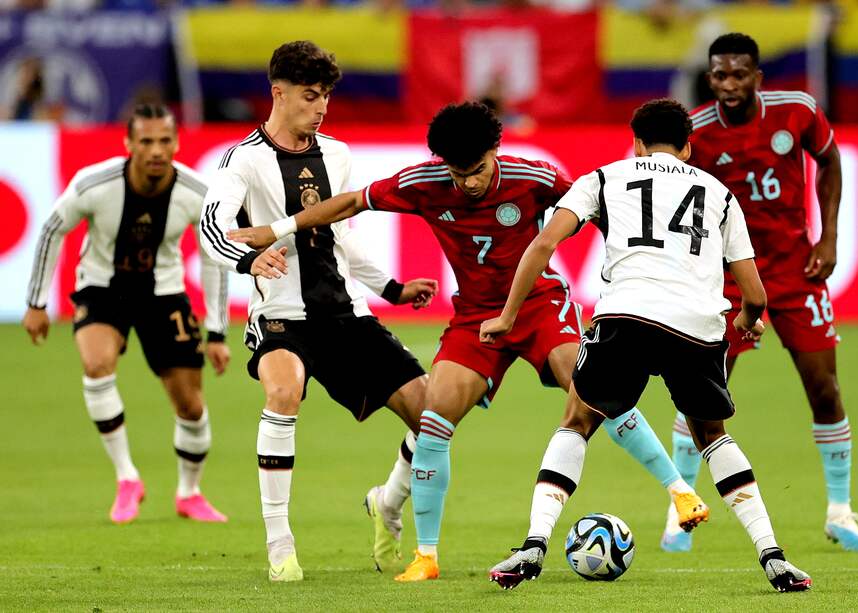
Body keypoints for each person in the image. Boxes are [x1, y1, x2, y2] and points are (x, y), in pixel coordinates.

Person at [228, 101, 709, 582]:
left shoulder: (534, 177)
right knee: (433, 418)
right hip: (476, 317)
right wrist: (277, 229)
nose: (470, 183)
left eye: (477, 170)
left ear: (495, 151)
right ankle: (427, 557)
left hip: (539, 304)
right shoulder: (424, 184)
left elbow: (602, 211)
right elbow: (352, 202)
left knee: (592, 386)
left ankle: (679, 491)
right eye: (459, 174)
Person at [483, 98, 812, 593]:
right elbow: (756, 294)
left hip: (627, 318)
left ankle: (533, 544)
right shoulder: (719, 192)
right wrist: (747, 321)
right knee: (713, 437)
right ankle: (773, 556)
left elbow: (544, 244)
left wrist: (508, 316)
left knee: (577, 418)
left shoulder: (604, 177)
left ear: (635, 141)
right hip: (696, 328)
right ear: (688, 146)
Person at [197, 40, 437, 583]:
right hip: (282, 315)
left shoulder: (337, 154)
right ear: (278, 93)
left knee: (434, 415)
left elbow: (341, 237)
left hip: (344, 314)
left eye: (326, 95)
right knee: (284, 391)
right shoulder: (243, 160)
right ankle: (280, 542)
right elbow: (211, 227)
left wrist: (392, 288)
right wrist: (249, 258)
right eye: (311, 95)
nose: (321, 106)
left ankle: (387, 502)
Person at [661, 32, 858, 553]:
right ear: (709, 78)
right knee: (703, 393)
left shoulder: (796, 112)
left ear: (757, 77)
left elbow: (830, 161)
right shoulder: (698, 134)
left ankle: (841, 512)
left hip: (796, 272)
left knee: (824, 388)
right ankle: (680, 511)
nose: (728, 85)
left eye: (738, 75)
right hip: (729, 281)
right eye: (719, 76)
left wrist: (829, 235)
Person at [23, 104, 230, 525]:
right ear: (129, 144)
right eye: (146, 141)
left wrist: (217, 330)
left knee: (190, 405)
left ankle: (189, 493)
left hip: (164, 294)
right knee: (97, 365)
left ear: (175, 142)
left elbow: (215, 256)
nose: (156, 150)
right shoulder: (95, 183)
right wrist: (36, 303)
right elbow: (50, 230)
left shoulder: (196, 191)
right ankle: (127, 478)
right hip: (102, 289)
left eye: (165, 141)